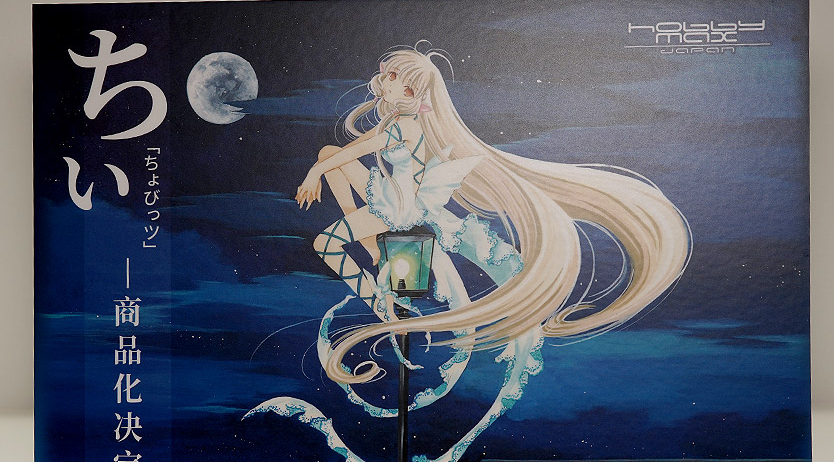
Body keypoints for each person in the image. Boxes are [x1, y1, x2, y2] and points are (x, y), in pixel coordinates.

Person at [293, 45, 690, 387]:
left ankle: (380, 305)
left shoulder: (404, 129)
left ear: (410, 91)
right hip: (393, 200)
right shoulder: (400, 122)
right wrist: (322, 167)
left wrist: (314, 174)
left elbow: (358, 151)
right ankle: (370, 250)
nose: (384, 77)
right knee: (328, 154)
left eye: (393, 76)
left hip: (400, 211)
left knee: (325, 242)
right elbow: (345, 153)